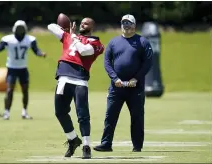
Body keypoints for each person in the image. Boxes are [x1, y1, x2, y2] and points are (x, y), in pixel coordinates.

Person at [93, 14, 153, 152]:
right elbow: (107, 62)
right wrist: (115, 79)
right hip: (116, 88)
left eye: (129, 23)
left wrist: (135, 79)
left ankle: (137, 146)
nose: (126, 25)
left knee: (137, 117)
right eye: (124, 23)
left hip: (135, 88)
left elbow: (148, 63)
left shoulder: (143, 42)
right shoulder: (113, 42)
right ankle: (106, 144)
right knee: (110, 116)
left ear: (134, 25)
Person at [47, 17, 104, 159]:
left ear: (92, 26)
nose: (82, 24)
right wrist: (65, 29)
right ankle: (73, 139)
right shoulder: (69, 36)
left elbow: (84, 51)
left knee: (83, 115)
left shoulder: (96, 43)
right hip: (63, 78)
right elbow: (50, 26)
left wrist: (72, 36)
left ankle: (86, 145)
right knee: (59, 112)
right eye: (81, 22)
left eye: (86, 23)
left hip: (80, 80)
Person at [0, 20, 46, 120]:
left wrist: (40, 53)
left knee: (25, 90)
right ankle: (6, 112)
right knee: (9, 90)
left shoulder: (30, 39)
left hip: (23, 68)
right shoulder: (8, 39)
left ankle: (24, 112)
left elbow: (35, 50)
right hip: (12, 68)